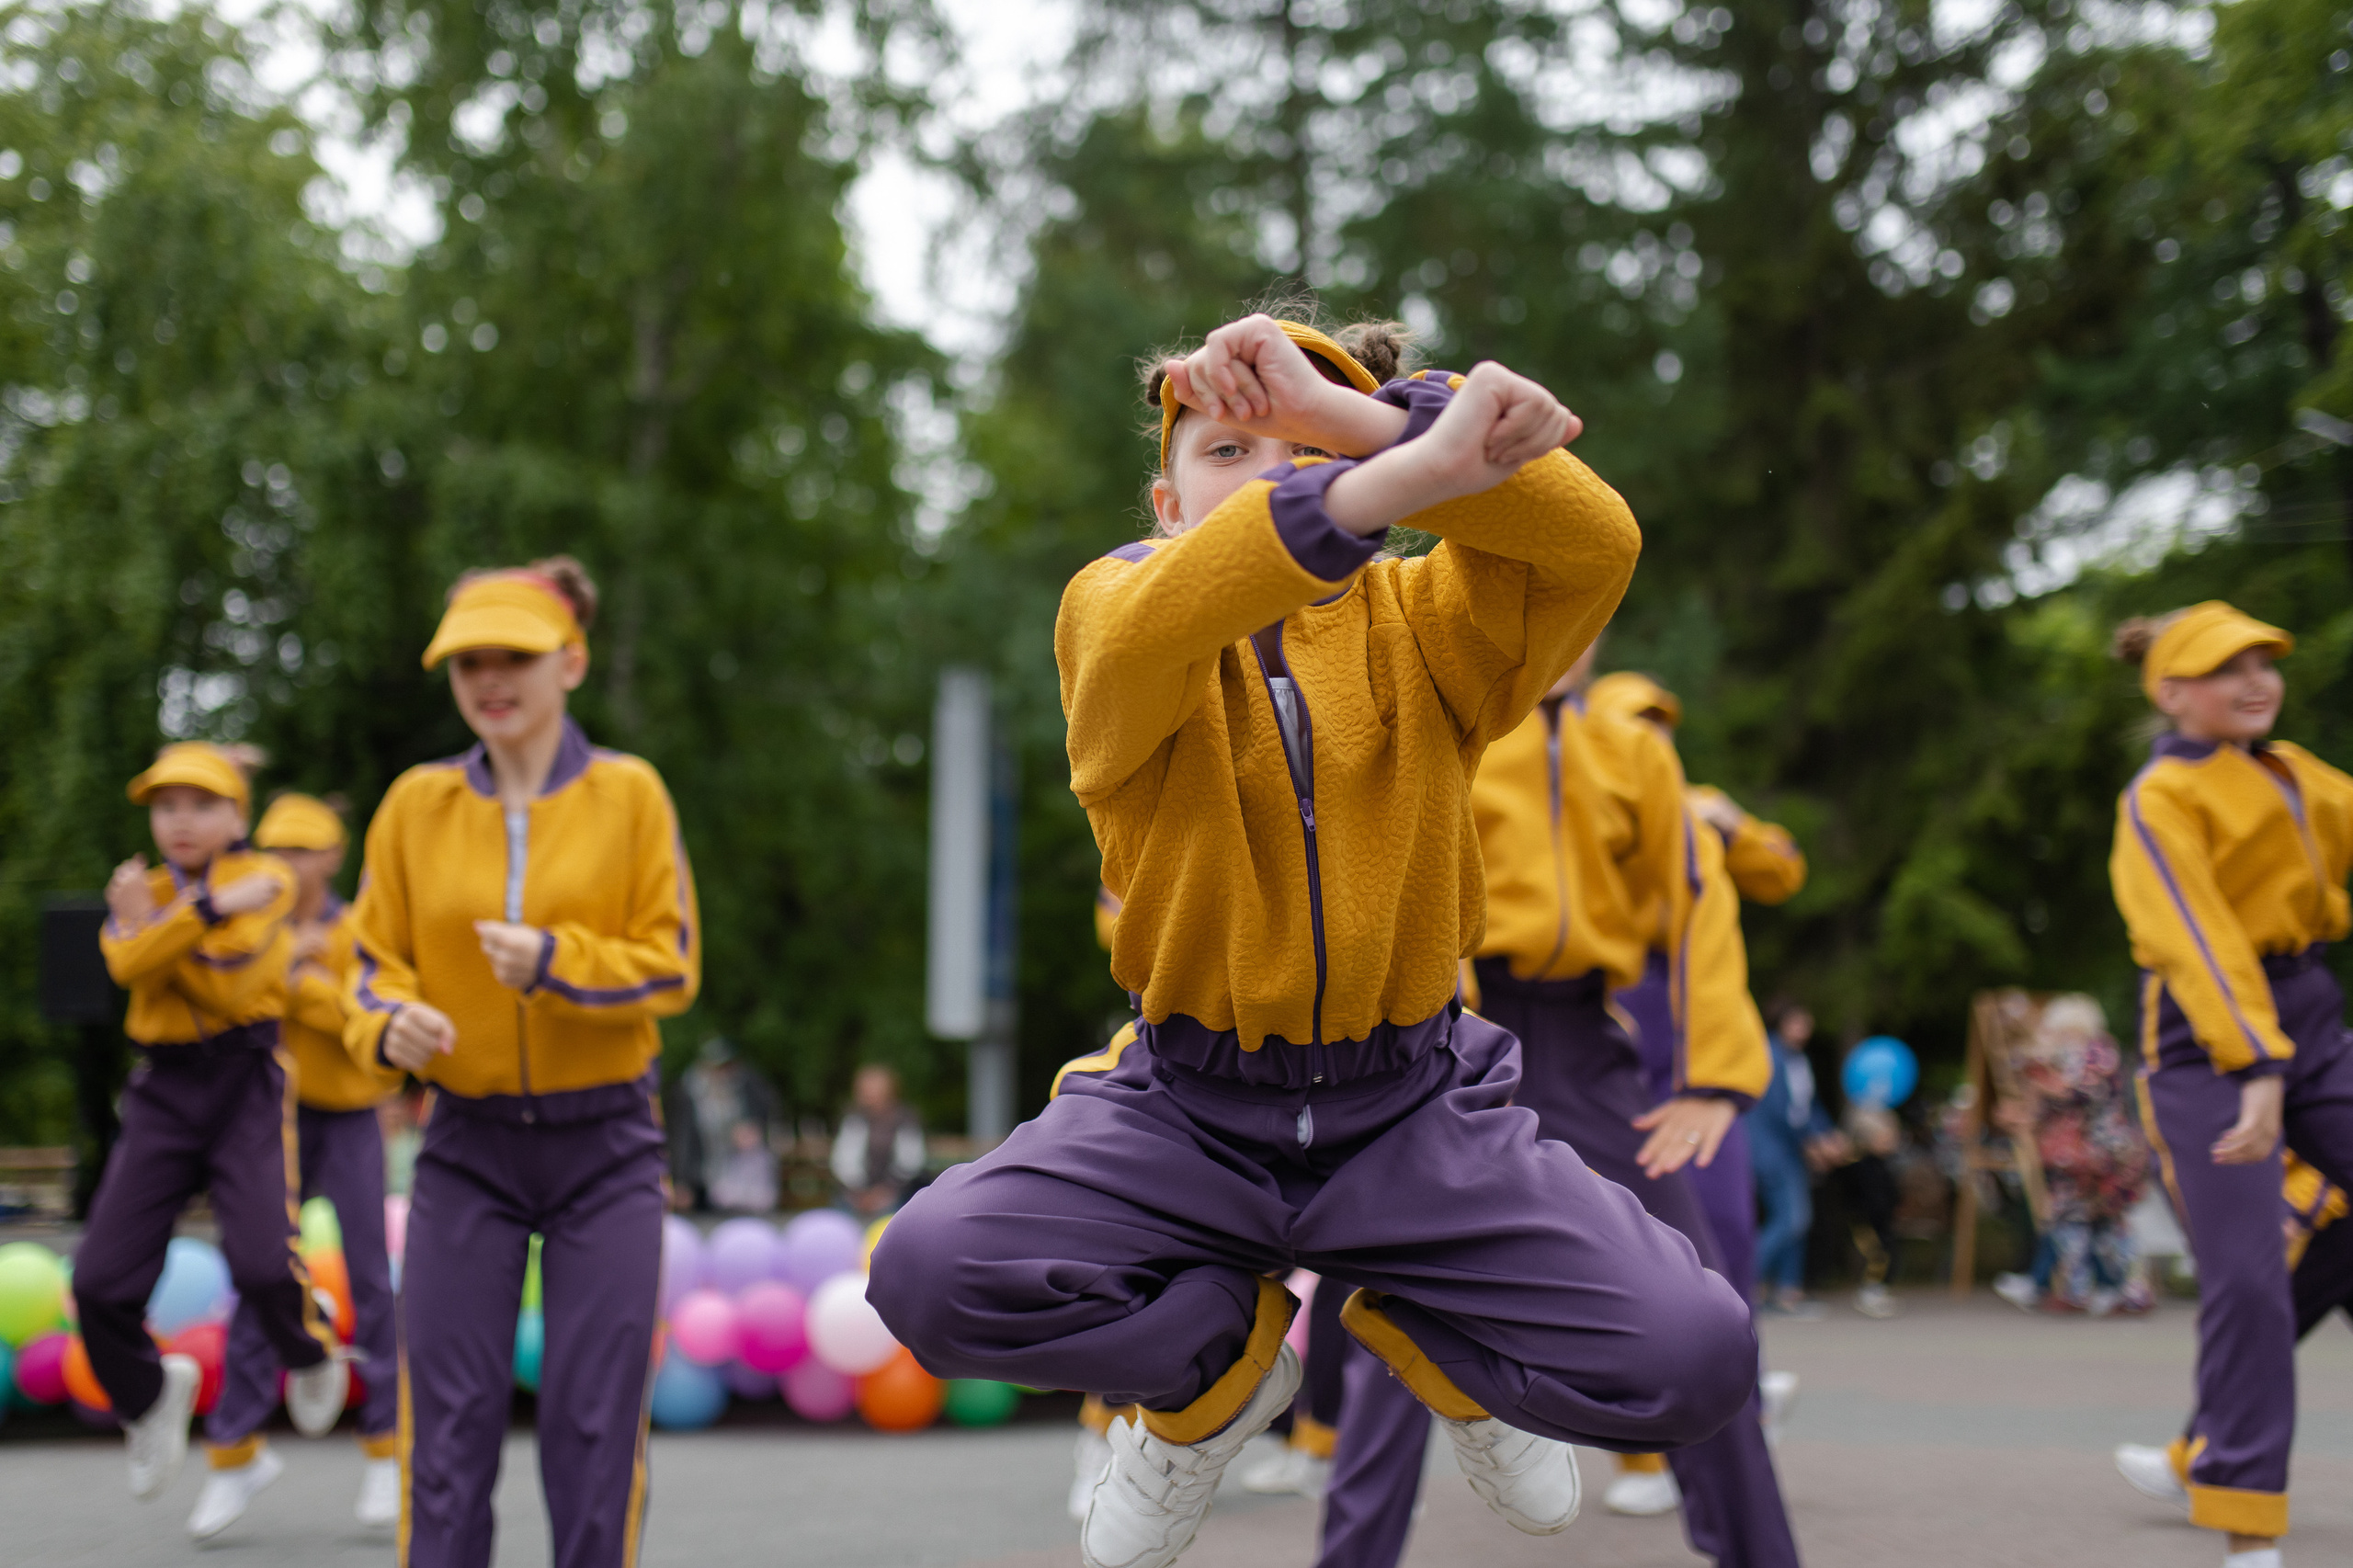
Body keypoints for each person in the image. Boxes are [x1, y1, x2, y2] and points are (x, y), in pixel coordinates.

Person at [870, 307, 1756, 1568]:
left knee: (1697, 1354)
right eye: (1228, 449)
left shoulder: (1433, 622)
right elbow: (1174, 611)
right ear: (1165, 501)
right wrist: (1392, 466)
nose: (1267, 471)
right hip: (1190, 1104)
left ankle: (1432, 1333)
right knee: (928, 1270)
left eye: (1303, 446)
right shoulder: (1114, 606)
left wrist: (1362, 424)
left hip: (1411, 1103)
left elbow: (1594, 540)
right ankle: (1215, 1373)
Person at [345, 556, 700, 1568]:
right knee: (447, 1435)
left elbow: (671, 960)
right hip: (466, 1145)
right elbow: (365, 967)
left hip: (608, 1147)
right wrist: (388, 1024)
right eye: (469, 663)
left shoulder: (630, 793)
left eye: (516, 657)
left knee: (593, 1432)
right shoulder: (413, 804)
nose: (491, 679)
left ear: (571, 662)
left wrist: (555, 959)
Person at [2108, 601, 2353, 1568]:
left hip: (2310, 1013)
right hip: (2204, 1041)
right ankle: (2246, 1523)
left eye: (2263, 663)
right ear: (2171, 691)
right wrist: (2255, 1065)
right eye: (2225, 669)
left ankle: (2196, 1445)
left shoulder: (2297, 775)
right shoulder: (2161, 796)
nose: (2255, 682)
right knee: (2248, 1278)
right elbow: (2195, 940)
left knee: (2320, 1246)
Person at [79, 744, 347, 1504]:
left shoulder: (267, 882)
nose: (182, 821)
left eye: (202, 805)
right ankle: (147, 1397)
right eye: (166, 807)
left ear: (238, 817)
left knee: (262, 1265)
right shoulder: (158, 889)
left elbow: (227, 985)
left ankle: (313, 1348)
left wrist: (157, 928)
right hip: (162, 1090)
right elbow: (124, 967)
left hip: (243, 1083)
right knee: (97, 1281)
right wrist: (199, 914)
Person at [1583, 669, 1810, 1515]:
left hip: (1700, 1058)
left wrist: (1733, 824)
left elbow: (1782, 872)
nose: (1655, 736)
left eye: (1662, 723)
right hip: (1608, 1051)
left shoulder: (1697, 805)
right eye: (1636, 721)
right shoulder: (1578, 804)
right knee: (1625, 1254)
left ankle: (1734, 1409)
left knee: (1728, 1238)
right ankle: (1643, 1454)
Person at [191, 792, 405, 1540]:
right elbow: (222, 999)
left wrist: (295, 981)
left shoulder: (358, 927)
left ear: (332, 857)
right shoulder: (256, 925)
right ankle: (233, 1455)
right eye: (274, 850)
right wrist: (293, 966)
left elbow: (359, 1022)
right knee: (262, 1276)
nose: (284, 863)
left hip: (350, 1118)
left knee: (370, 1276)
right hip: (273, 1119)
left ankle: (388, 1449)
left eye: (301, 851)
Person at [2115, 1157, 2349, 1517]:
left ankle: (2197, 1462)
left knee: (2254, 1338)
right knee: (2254, 1338)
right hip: (2330, 1205)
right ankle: (2196, 1460)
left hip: (2331, 1215)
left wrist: (2299, 1210)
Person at [1991, 996, 2154, 1315]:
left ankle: (2108, 1291)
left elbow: (2077, 1093)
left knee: (2091, 1221)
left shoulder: (2095, 1053)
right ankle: (2095, 1290)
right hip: (2086, 1156)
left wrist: (2040, 1085)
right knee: (2086, 1221)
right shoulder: (2076, 1056)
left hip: (2097, 1154)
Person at [1747, 1003, 1845, 1319]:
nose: (1803, 1029)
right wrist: (1813, 1143)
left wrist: (1828, 1134)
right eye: (1796, 1022)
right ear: (1781, 1023)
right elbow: (1779, 1110)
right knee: (1791, 1219)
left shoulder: (1799, 1059)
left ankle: (1787, 1292)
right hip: (1771, 1151)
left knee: (1795, 1219)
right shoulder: (1769, 1055)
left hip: (1790, 1151)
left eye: (1806, 1022)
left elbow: (1807, 1106)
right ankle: (1743, 1282)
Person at [668, 1038, 779, 1213]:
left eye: (728, 1065)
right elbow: (681, 1139)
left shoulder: (748, 1086)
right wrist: (680, 1181)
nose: (724, 1072)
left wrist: (754, 1130)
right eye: (718, 1067)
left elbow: (768, 1114)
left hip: (739, 1182)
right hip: (701, 1181)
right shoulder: (687, 1092)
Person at [832, 1063, 925, 1218]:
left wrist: (885, 1191)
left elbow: (909, 1162)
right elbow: (844, 1160)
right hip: (854, 1195)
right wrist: (859, 1191)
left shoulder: (906, 1119)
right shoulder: (853, 1118)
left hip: (896, 1193)